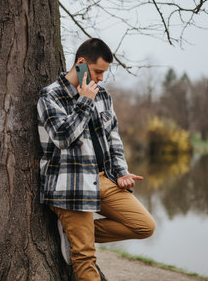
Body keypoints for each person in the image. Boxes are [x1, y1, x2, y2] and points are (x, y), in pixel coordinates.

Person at [37, 38, 155, 280]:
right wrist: (84, 102)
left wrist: (121, 172)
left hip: (102, 179)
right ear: (81, 63)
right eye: (98, 71)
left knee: (144, 226)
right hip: (70, 185)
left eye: (104, 73)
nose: (101, 78)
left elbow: (113, 137)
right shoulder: (51, 96)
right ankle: (77, 234)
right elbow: (62, 137)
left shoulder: (103, 96)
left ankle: (75, 231)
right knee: (85, 256)